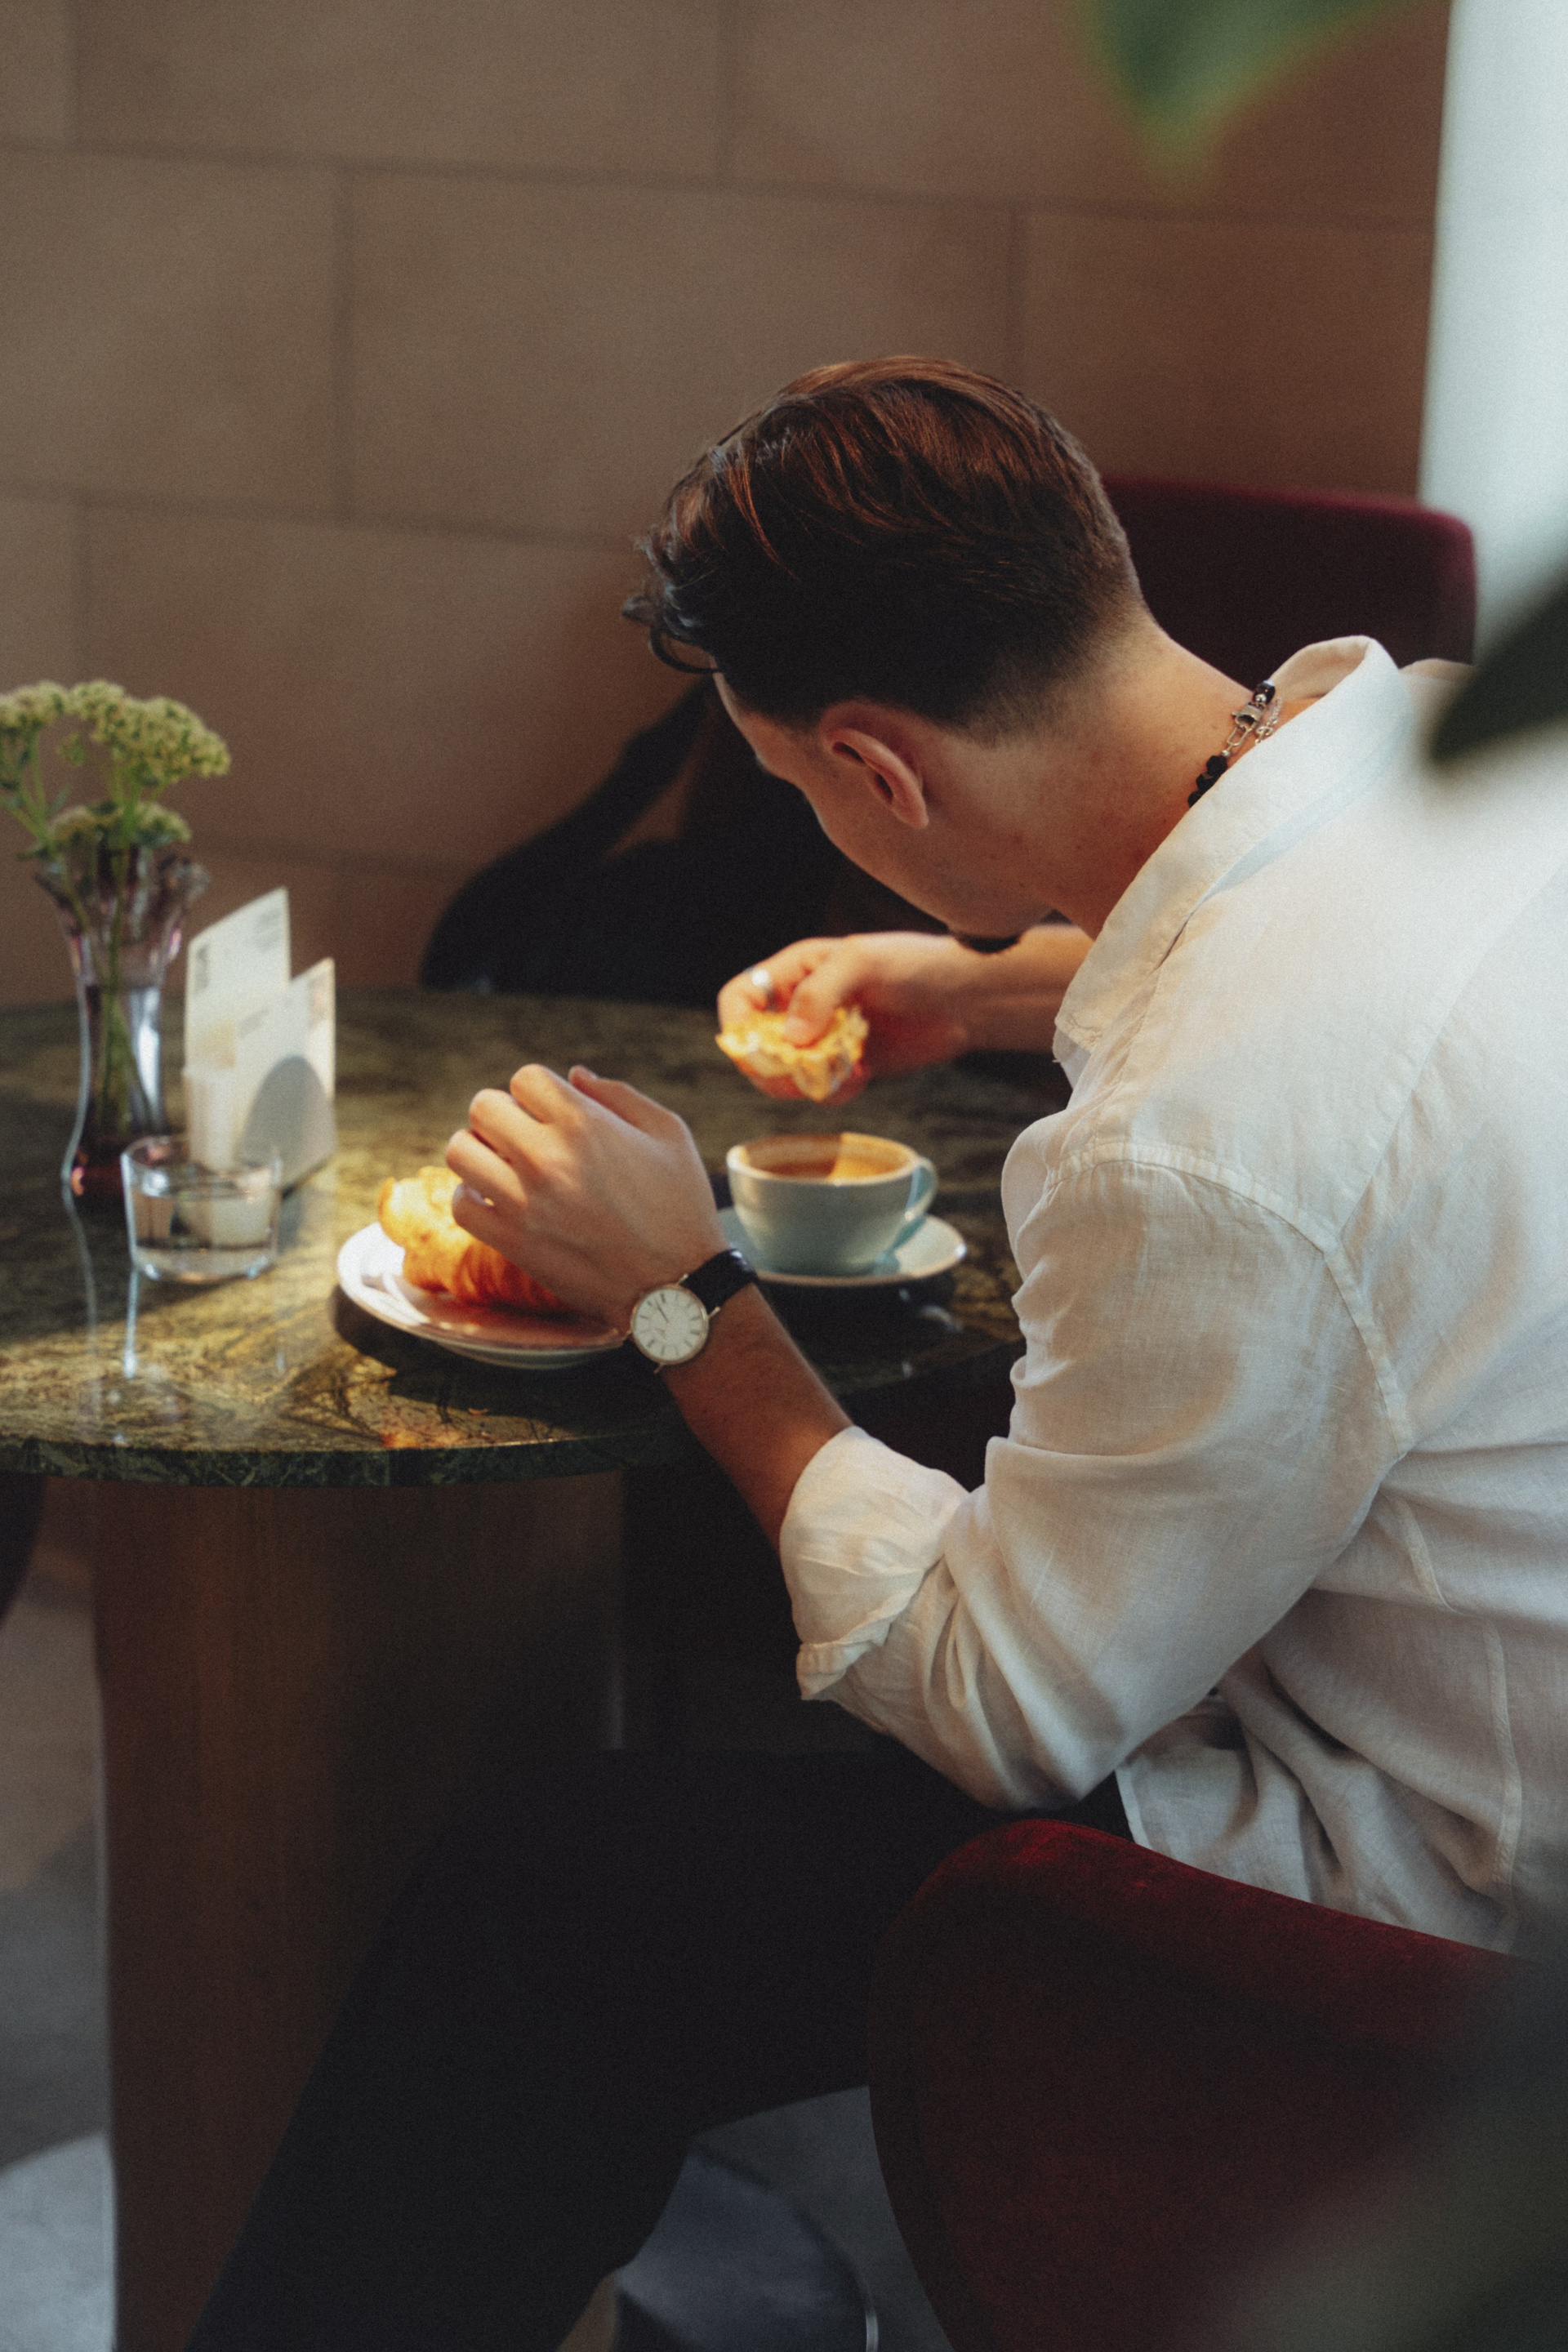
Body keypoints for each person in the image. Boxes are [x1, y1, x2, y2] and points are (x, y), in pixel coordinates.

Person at [186, 359, 1568, 2350]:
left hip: (1452, 1918)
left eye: (797, 786)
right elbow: (1295, 945)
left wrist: (685, 1294)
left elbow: (1013, 1705)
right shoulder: (1438, 741)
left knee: (537, 1907)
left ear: (878, 771)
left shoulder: (1192, 1149)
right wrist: (984, 985)